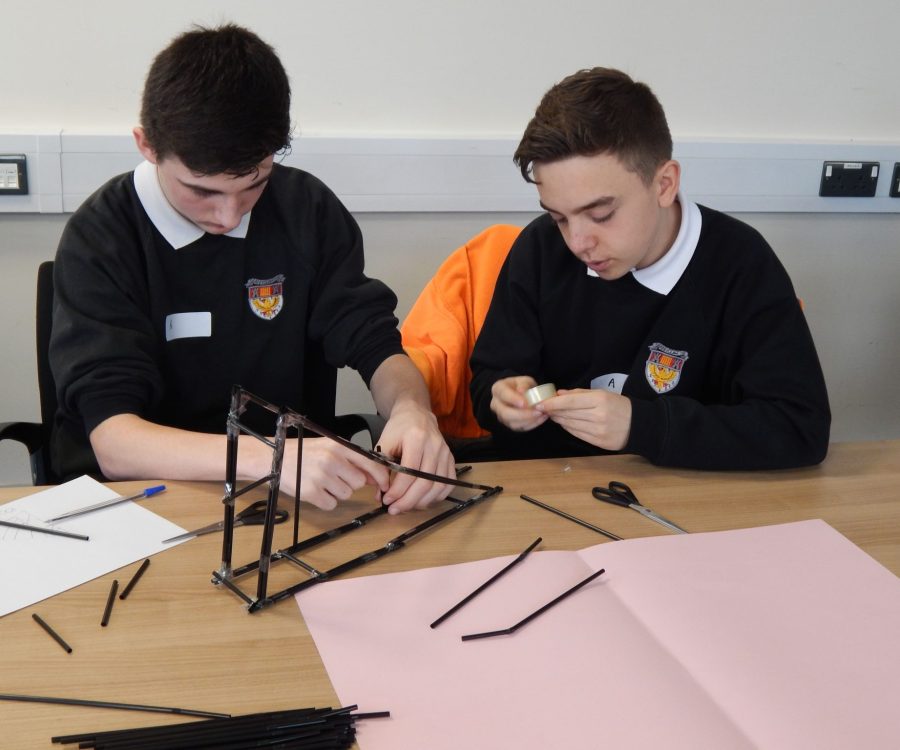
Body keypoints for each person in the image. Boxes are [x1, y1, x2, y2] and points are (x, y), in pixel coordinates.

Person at [49, 24, 454, 512]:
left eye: (254, 184)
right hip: (142, 500)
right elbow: (115, 444)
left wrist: (413, 412)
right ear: (147, 146)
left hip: (284, 500)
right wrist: (271, 458)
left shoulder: (307, 208)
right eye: (202, 191)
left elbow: (375, 343)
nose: (229, 215)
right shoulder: (102, 235)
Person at [470, 67, 830, 469]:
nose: (577, 243)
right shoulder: (540, 248)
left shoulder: (739, 263)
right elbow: (490, 377)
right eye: (559, 217)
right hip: (549, 485)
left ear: (664, 184)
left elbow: (800, 429)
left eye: (601, 214)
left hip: (688, 500)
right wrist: (502, 399)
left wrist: (640, 425)